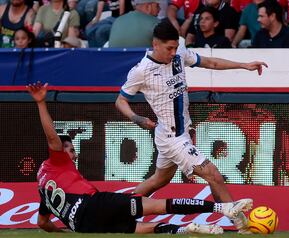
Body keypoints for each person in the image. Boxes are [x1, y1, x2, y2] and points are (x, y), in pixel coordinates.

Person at [28, 81, 253, 234]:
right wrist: (40, 102)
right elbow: (52, 139)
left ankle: (188, 229)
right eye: (69, 148)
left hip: (82, 225)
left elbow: (42, 222)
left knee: (134, 228)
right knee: (159, 206)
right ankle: (223, 209)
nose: (72, 152)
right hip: (93, 205)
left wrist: (63, 230)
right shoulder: (55, 161)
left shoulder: (43, 187)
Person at [115, 19, 267, 233]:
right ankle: (241, 223)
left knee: (159, 180)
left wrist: (244, 65)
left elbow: (210, 63)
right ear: (155, 44)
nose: (173, 53)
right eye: (169, 48)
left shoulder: (178, 52)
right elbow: (120, 101)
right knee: (213, 175)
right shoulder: (141, 71)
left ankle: (116, 211)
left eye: (175, 48)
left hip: (179, 133)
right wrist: (136, 118)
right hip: (171, 138)